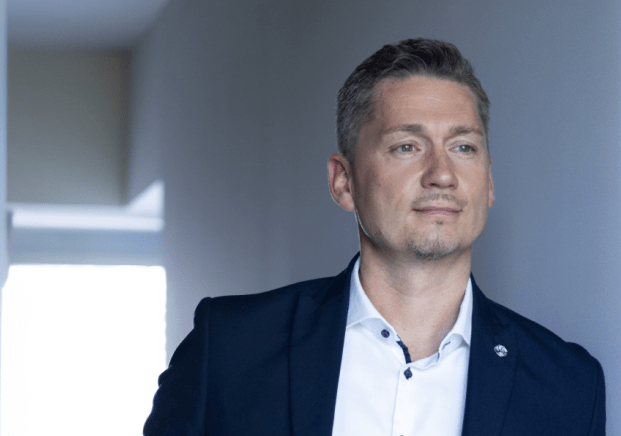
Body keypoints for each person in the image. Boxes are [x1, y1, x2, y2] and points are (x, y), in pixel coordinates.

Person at [144, 38, 605, 436]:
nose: (442, 173)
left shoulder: (569, 386)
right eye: (407, 146)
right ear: (343, 182)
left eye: (463, 147)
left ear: (488, 182)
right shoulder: (230, 348)